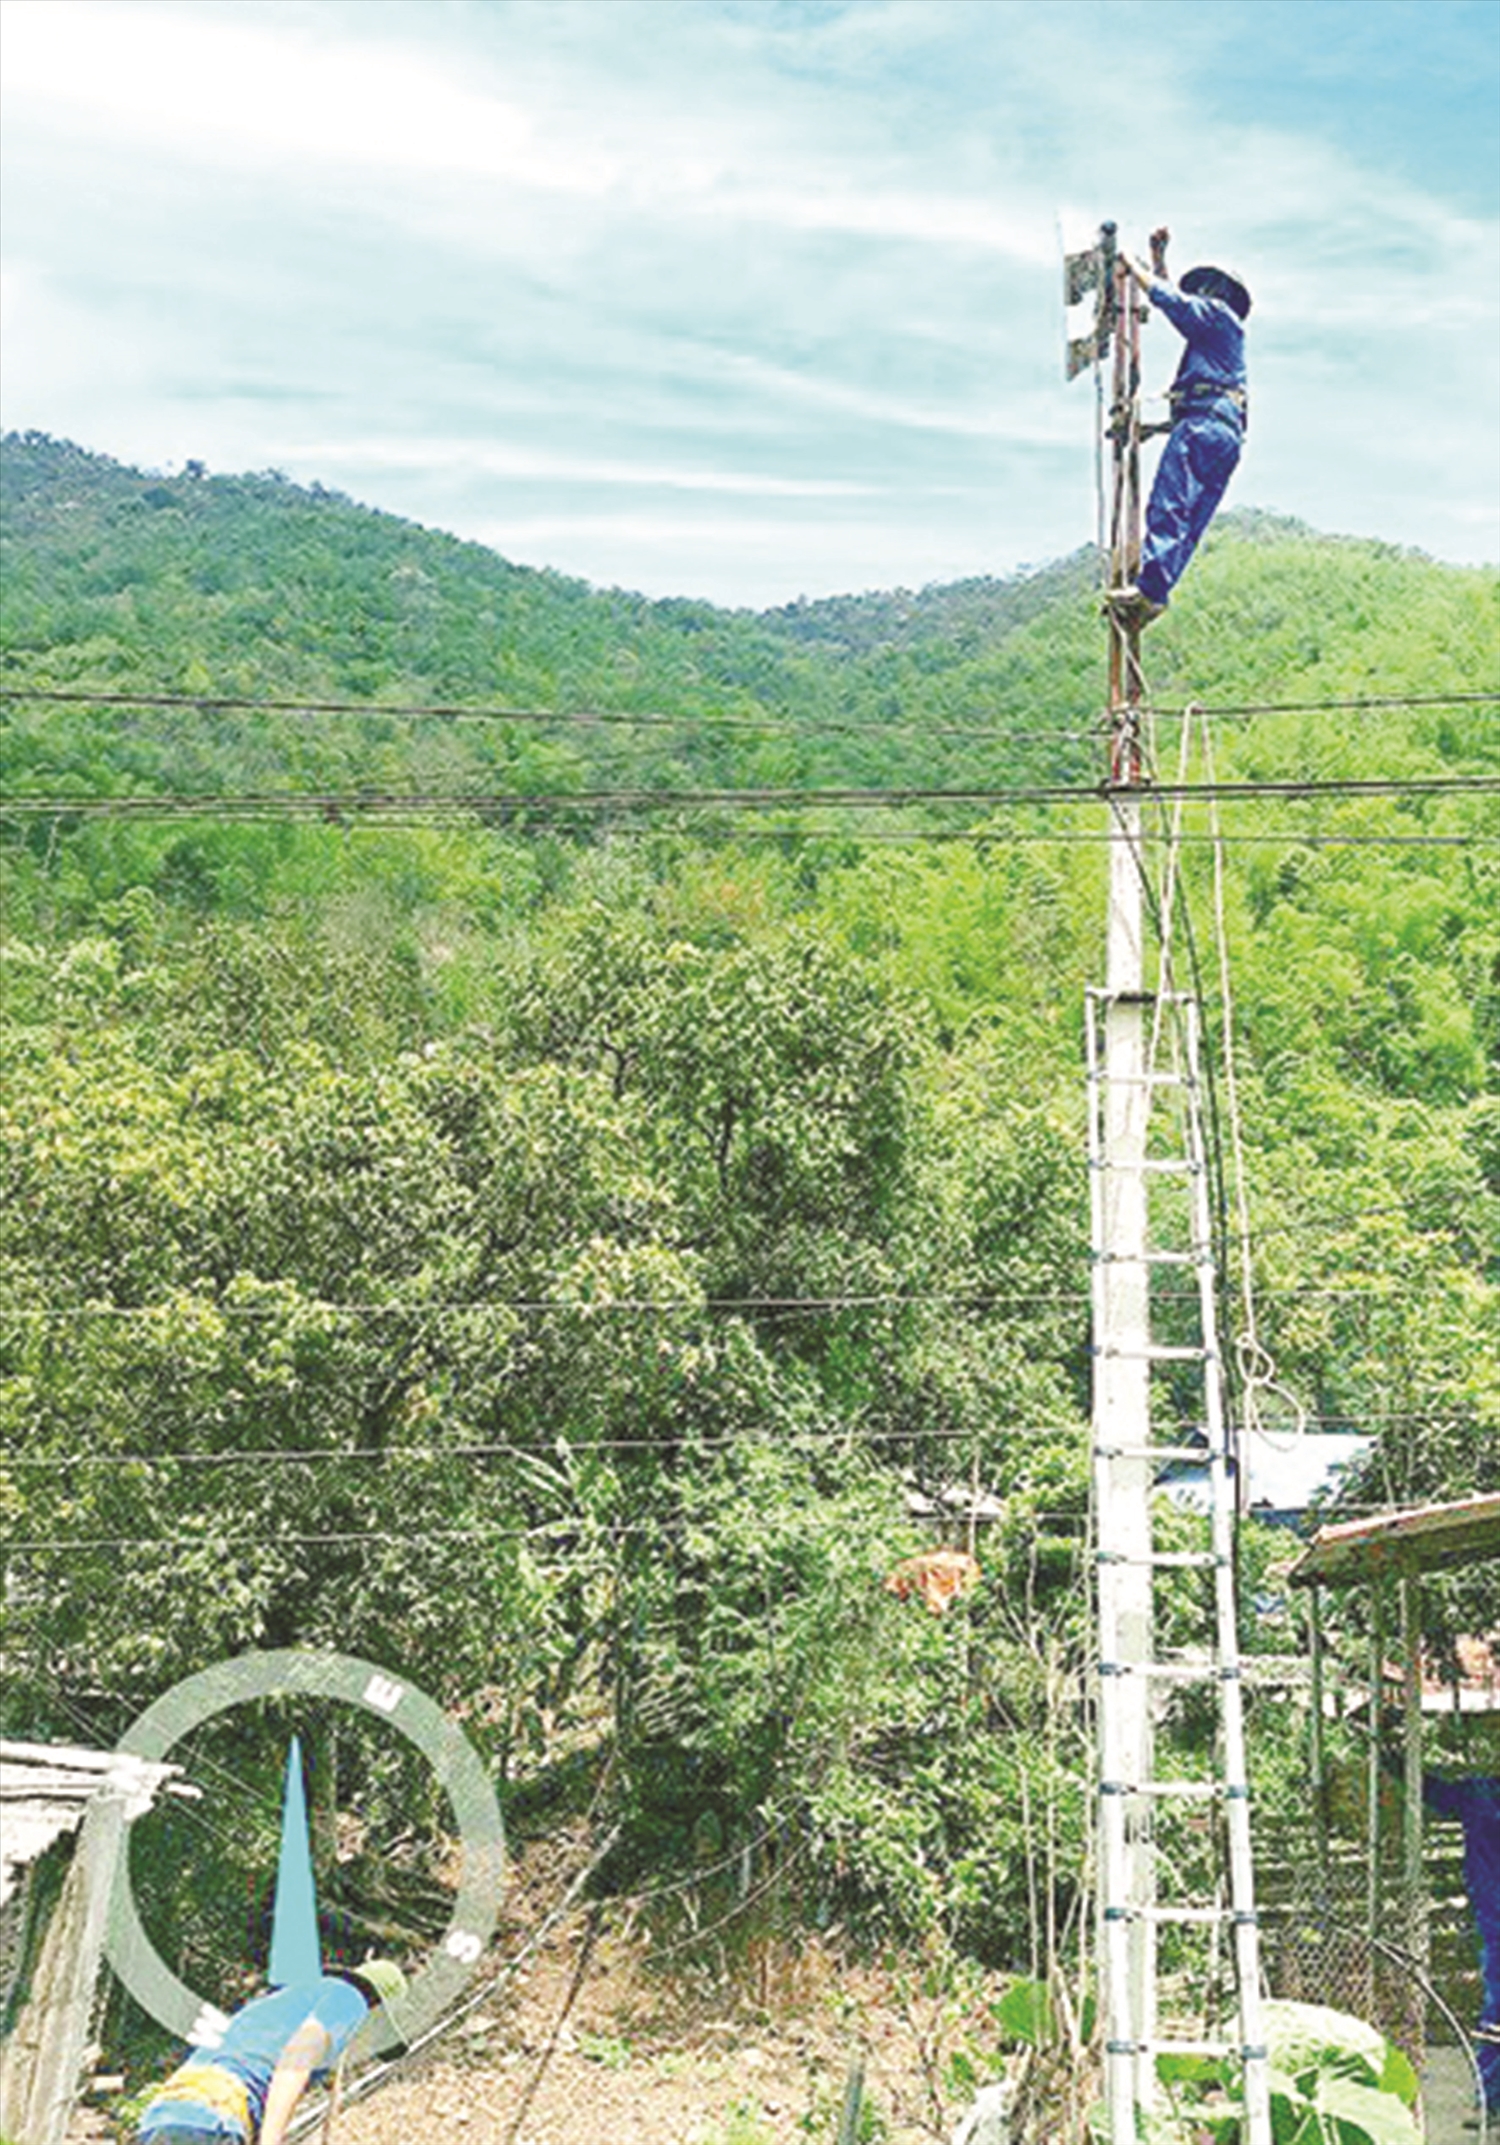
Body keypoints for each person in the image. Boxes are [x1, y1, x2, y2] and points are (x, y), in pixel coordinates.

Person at [1112, 231, 1251, 626]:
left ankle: (1151, 588)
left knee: (1170, 504)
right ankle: (1155, 594)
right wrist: (1157, 258)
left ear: (1217, 291)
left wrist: (1132, 265)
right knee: (1191, 518)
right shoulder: (1218, 341)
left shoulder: (1219, 317)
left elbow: (1172, 301)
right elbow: (1176, 302)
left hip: (1204, 427)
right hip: (1222, 431)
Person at [135, 1958, 407, 2144]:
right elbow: (295, 2062)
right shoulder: (350, 1998)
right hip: (213, 2120)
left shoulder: (284, 2001)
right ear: (376, 2012)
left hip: (164, 2116)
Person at [1421, 1772, 1500, 2114]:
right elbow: (1434, 1791)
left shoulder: (1478, 1794)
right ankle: (1491, 2096)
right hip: (1495, 1916)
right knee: (1497, 2008)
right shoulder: (1480, 1793)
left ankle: (1491, 2095)